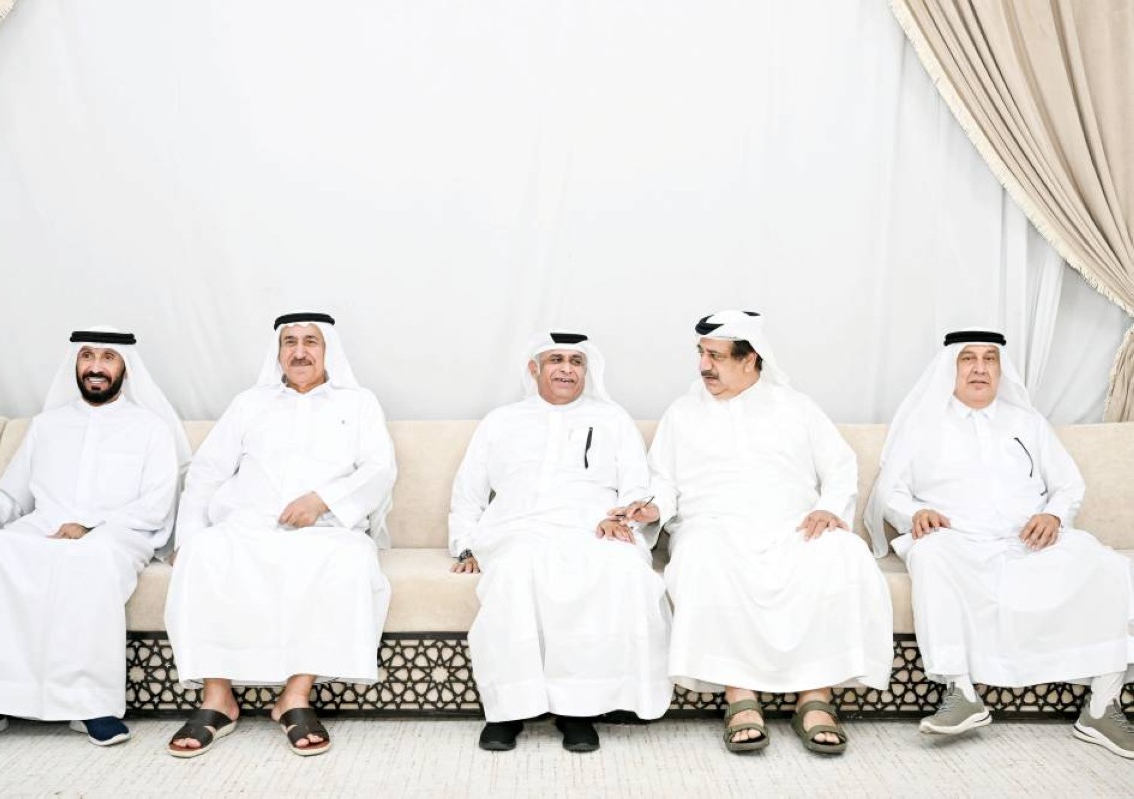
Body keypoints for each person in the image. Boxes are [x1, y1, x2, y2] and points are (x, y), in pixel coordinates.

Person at [865, 330, 1134, 758]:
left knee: (1108, 566)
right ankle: (960, 692)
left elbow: (1068, 485)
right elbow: (890, 491)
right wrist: (913, 513)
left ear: (1000, 368)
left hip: (1028, 542)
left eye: (989, 359)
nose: (979, 368)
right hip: (957, 542)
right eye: (968, 359)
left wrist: (1053, 515)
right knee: (929, 554)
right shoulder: (923, 424)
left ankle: (1102, 707)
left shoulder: (1027, 423)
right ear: (951, 367)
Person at [641, 310, 892, 755]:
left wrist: (828, 509)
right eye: (701, 353)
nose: (703, 366)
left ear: (750, 358)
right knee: (700, 557)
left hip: (791, 524)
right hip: (712, 526)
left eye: (716, 356)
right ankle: (740, 698)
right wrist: (653, 507)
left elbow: (840, 467)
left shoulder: (797, 407)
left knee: (843, 552)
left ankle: (815, 699)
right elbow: (663, 480)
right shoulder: (682, 413)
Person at [0, 327, 187, 751]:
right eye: (87, 356)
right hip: (44, 526)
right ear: (76, 363)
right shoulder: (47, 424)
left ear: (125, 367)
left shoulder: (151, 428)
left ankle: (90, 705)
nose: (95, 367)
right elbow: (12, 497)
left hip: (117, 534)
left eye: (107, 358)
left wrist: (90, 527)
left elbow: (156, 505)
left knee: (88, 559)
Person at [165, 312, 395, 758]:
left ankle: (295, 696)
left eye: (311, 341)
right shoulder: (249, 403)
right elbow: (208, 470)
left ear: (328, 351)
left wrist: (322, 500)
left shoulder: (358, 403)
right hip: (247, 524)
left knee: (349, 560)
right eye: (290, 342)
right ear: (278, 352)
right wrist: (188, 534)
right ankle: (217, 698)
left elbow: (380, 469)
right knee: (202, 553)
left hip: (327, 528)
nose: (300, 352)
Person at [449, 331, 673, 752]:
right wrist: (464, 544)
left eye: (576, 361)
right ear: (534, 369)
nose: (567, 369)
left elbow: (636, 484)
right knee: (516, 570)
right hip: (517, 526)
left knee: (620, 567)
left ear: (587, 370)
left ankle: (579, 711)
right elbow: (469, 489)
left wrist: (622, 517)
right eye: (556, 360)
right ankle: (507, 711)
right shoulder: (501, 421)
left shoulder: (612, 418)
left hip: (592, 526)